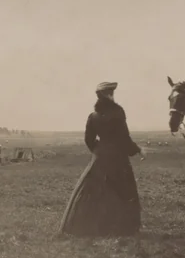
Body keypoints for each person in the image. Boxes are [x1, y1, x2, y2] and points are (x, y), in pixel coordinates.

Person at [59, 81, 145, 237]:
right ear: (109, 95)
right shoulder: (118, 113)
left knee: (94, 193)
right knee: (122, 191)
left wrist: (99, 151)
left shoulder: (93, 116)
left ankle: (88, 228)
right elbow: (124, 138)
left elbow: (88, 140)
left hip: (99, 159)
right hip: (118, 159)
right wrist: (138, 150)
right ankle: (122, 229)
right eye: (112, 93)